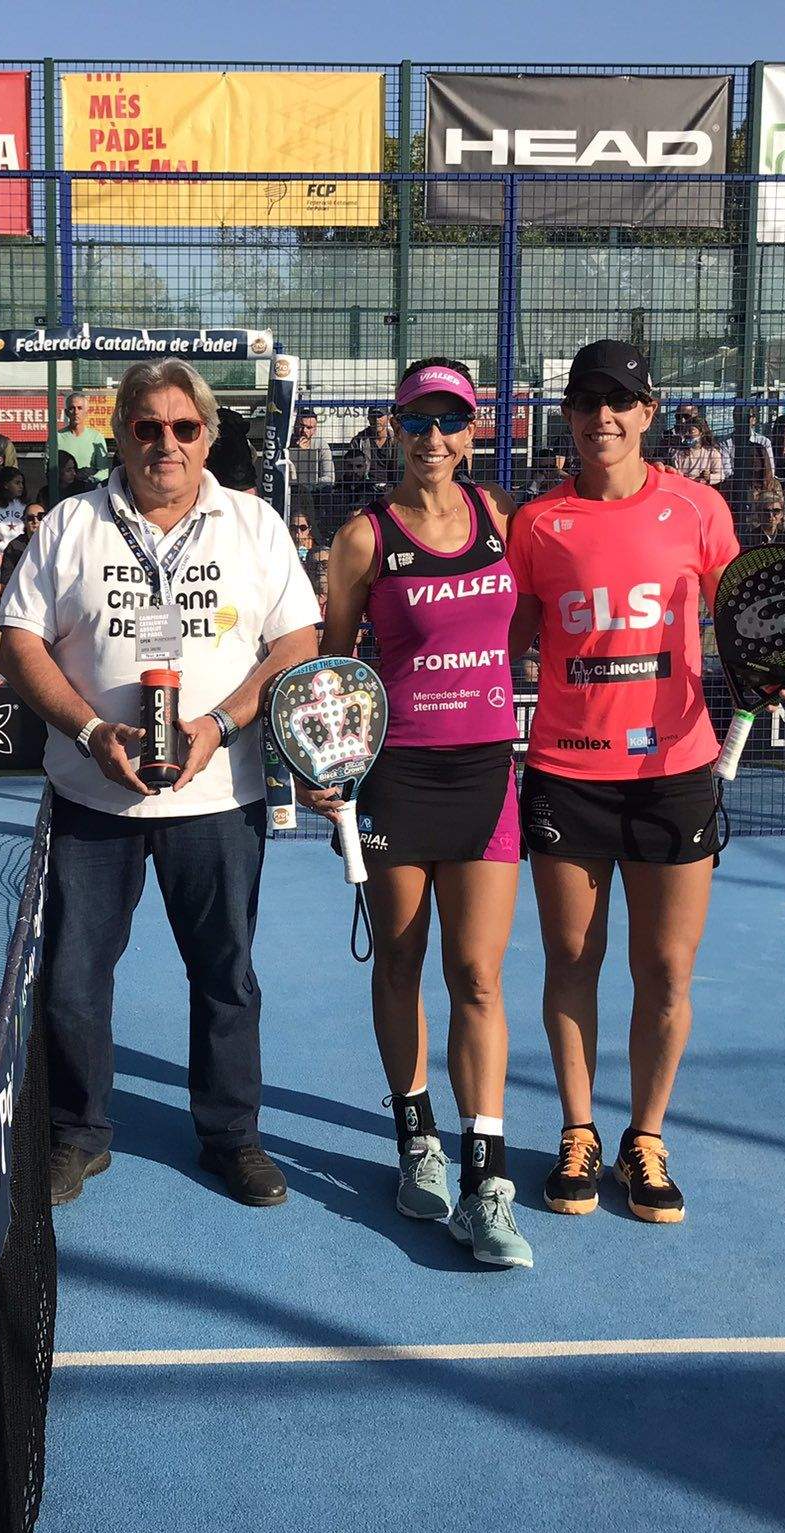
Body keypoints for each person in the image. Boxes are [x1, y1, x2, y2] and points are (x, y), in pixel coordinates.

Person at [0, 358, 320, 1210]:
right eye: (148, 427)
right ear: (121, 435)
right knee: (72, 974)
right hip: (93, 790)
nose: (166, 443)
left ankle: (231, 1137)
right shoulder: (70, 523)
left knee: (224, 972)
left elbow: (298, 639)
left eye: (184, 427)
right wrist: (92, 730)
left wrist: (223, 724)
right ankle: (78, 1133)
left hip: (219, 796)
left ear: (207, 436)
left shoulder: (253, 524)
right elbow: (18, 642)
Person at [505, 339, 785, 1227]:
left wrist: (774, 666)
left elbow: (748, 619)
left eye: (621, 403)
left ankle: (646, 1138)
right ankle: (577, 1131)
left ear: (648, 412)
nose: (603, 418)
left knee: (666, 971)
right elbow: (507, 641)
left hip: (676, 772)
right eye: (586, 403)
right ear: (566, 416)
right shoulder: (538, 523)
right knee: (572, 961)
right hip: (567, 772)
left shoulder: (700, 510)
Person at [301, 358, 531, 1268]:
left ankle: (488, 1178)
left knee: (477, 974)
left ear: (474, 429)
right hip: (393, 777)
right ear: (394, 427)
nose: (433, 436)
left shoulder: (505, 521)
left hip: (485, 775)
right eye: (417, 419)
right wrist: (325, 771)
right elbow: (332, 667)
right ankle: (416, 1139)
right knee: (399, 961)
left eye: (451, 419)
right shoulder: (363, 539)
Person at [288, 407, 336, 529]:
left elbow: (330, 478)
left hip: (315, 492)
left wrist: (311, 483)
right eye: (301, 426)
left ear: (314, 430)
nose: (304, 431)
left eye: (309, 428)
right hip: (291, 491)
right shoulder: (286, 444)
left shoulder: (321, 445)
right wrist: (298, 452)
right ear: (294, 425)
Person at [56, 392, 111, 482]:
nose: (76, 412)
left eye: (80, 408)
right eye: (72, 408)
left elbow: (104, 471)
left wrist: (89, 480)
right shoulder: (56, 438)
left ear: (86, 412)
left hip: (89, 492)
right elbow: (49, 471)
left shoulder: (96, 437)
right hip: (63, 492)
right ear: (66, 412)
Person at [341, 407, 396, 496]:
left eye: (380, 416)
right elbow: (350, 468)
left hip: (393, 488)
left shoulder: (396, 440)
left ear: (388, 418)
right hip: (365, 489)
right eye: (373, 416)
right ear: (368, 418)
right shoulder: (359, 441)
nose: (376, 420)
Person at [668, 406, 727, 488]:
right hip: (682, 487)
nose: (687, 434)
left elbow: (721, 475)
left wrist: (709, 476)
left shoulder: (711, 452)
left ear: (701, 433)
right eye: (686, 431)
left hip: (701, 489)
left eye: (691, 431)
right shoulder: (676, 452)